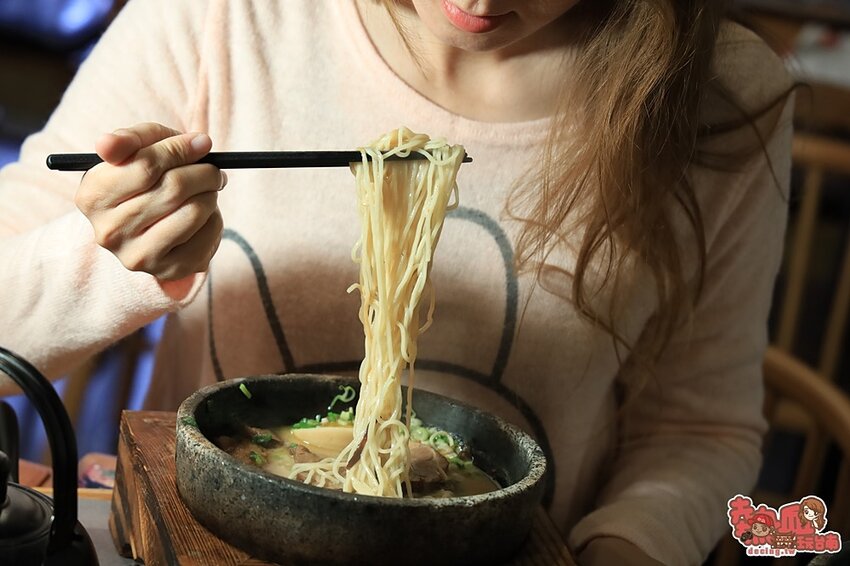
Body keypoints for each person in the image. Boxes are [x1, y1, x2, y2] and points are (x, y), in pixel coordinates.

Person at [0, 1, 794, 564]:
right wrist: (114, 252)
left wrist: (627, 548)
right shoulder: (225, 17)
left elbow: (700, 431)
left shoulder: (720, 91)